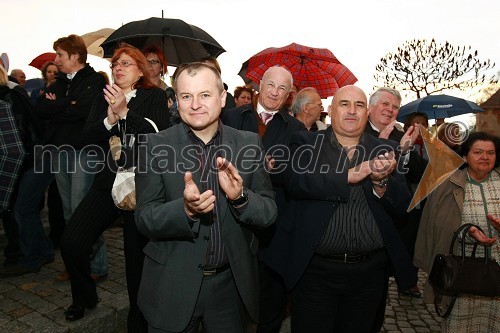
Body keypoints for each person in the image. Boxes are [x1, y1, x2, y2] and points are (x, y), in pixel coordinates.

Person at [135, 62, 277, 332]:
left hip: (230, 290)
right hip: (171, 286)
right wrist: (185, 211)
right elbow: (144, 218)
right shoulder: (155, 145)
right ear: (176, 100)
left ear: (222, 98)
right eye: (186, 96)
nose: (195, 104)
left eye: (205, 95)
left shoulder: (247, 143)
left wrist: (240, 197)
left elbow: (269, 213)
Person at [264, 85, 415, 332]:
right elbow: (296, 181)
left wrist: (380, 182)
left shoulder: (382, 149)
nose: (351, 111)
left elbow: (402, 205)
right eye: (344, 104)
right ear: (331, 110)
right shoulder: (305, 142)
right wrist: (350, 175)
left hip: (369, 275)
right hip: (315, 272)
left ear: (367, 112)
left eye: (359, 105)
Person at [59, 44, 170, 330]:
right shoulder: (103, 96)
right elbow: (87, 136)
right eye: (115, 65)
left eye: (125, 64)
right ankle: (84, 297)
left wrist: (124, 113)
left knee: (135, 263)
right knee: (72, 240)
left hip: (142, 186)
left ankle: (138, 322)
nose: (117, 68)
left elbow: (156, 135)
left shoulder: (153, 96)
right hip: (108, 182)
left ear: (140, 70)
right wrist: (109, 118)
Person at [223, 65, 306, 333]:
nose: (275, 92)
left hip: (273, 223)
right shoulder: (231, 116)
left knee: (270, 298)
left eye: (283, 88)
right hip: (230, 216)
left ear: (289, 96)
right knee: (230, 295)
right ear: (260, 85)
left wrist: (275, 170)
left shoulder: (296, 128)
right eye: (271, 85)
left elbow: (299, 174)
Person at [36, 34, 108, 282]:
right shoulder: (59, 81)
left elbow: (85, 112)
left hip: (84, 152)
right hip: (59, 150)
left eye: (60, 55)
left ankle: (97, 266)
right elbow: (41, 109)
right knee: (67, 212)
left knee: (83, 211)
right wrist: (68, 104)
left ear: (75, 56)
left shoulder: (94, 81)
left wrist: (61, 106)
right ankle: (75, 265)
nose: (56, 61)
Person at [414, 131, 500, 333]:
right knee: (461, 325)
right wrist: (467, 232)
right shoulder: (447, 184)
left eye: (490, 152)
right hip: (463, 270)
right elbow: (435, 225)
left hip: (498, 268)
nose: (485, 157)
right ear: (465, 156)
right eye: (478, 152)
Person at [364, 87, 427, 332]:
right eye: (386, 104)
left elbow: (420, 173)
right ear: (370, 107)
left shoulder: (400, 135)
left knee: (376, 304)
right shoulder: (355, 130)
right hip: (357, 227)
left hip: (387, 232)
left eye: (395, 107)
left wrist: (405, 150)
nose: (390, 110)